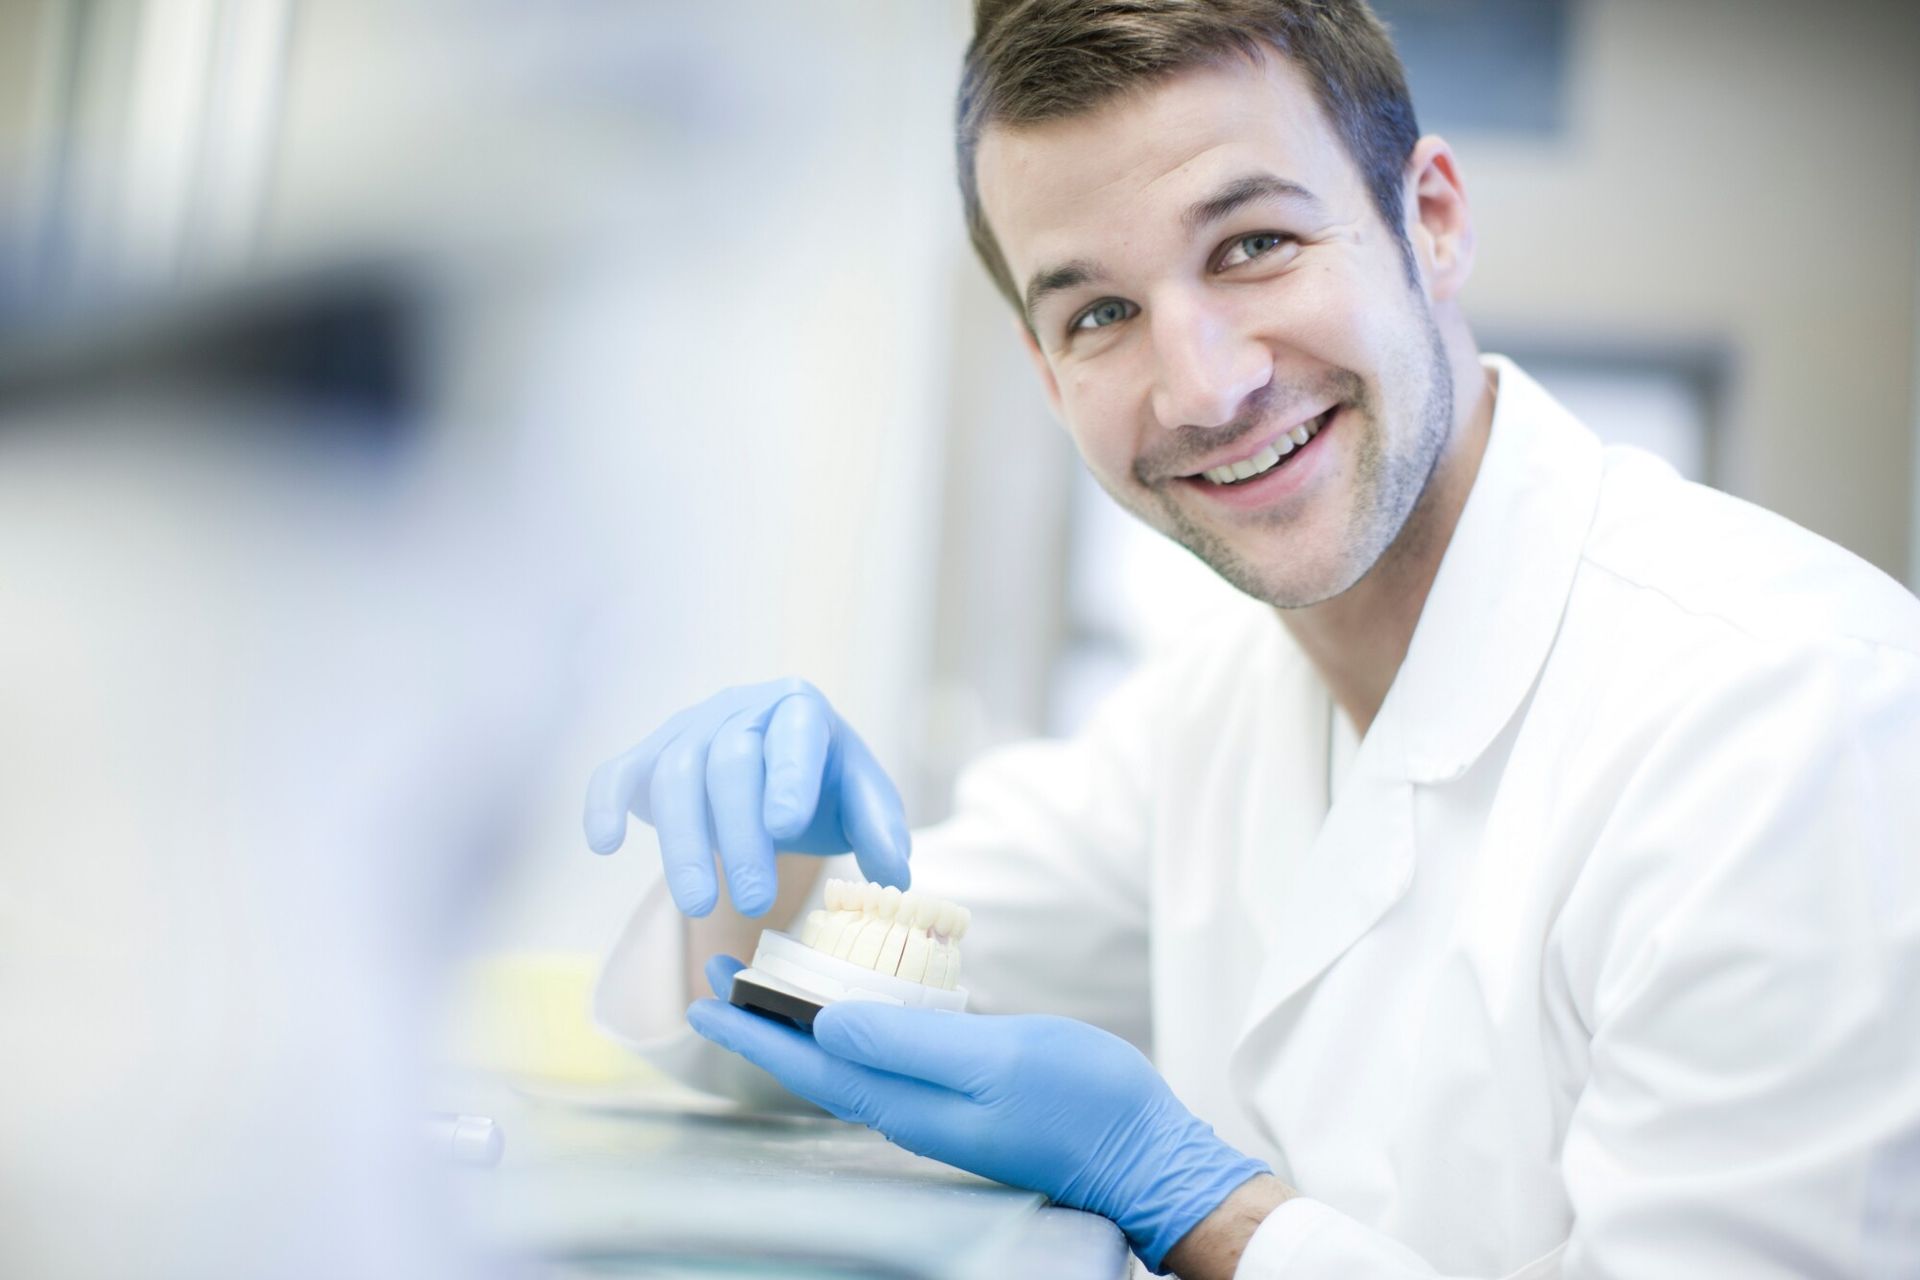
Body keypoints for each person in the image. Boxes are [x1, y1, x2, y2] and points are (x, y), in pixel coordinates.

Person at [583, 2, 1920, 1275]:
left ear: (1433, 222)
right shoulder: (1209, 721)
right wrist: (756, 862)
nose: (1206, 384)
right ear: (1051, 376)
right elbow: (783, 1038)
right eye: (1098, 313)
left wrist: (1194, 1202)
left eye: (1255, 244)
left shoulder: (1795, 717)